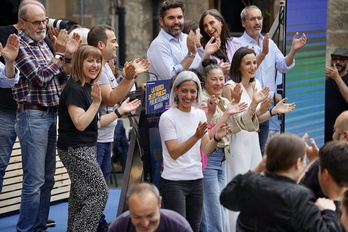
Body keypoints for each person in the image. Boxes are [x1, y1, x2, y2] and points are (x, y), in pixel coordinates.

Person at [57, 45, 141, 232]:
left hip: (83, 147)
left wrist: (119, 111)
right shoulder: (75, 88)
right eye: (90, 60)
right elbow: (80, 123)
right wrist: (96, 103)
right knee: (99, 192)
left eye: (97, 61)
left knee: (80, 196)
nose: (95, 65)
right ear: (80, 62)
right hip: (75, 149)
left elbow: (95, 123)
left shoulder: (87, 86)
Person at [13, 2, 80, 231]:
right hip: (32, 116)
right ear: (22, 23)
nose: (42, 25)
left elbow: (62, 78)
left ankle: (39, 226)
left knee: (48, 179)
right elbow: (40, 78)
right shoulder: (19, 45)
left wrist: (68, 57)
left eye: (44, 20)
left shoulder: (45, 45)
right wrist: (59, 53)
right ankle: (26, 228)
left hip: (51, 115)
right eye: (36, 22)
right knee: (34, 181)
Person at [223, 47, 296, 232]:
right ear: (238, 66)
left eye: (254, 62)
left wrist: (273, 111)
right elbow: (234, 122)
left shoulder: (256, 85)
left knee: (255, 184)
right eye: (247, 63)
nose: (253, 66)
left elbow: (254, 119)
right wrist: (256, 108)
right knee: (240, 183)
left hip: (252, 141)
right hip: (237, 141)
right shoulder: (230, 87)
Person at [87, 24, 149, 231]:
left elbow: (115, 93)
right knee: (95, 190)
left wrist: (126, 77)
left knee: (101, 189)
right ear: (101, 44)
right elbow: (112, 98)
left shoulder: (105, 67)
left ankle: (98, 223)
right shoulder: (98, 68)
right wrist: (129, 78)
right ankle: (98, 225)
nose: (117, 44)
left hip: (106, 135)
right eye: (113, 41)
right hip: (94, 138)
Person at [198, 58, 268, 232]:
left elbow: (238, 124)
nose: (219, 83)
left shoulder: (221, 100)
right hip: (209, 159)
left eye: (221, 78)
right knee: (215, 216)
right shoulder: (204, 102)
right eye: (214, 79)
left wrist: (254, 105)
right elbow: (214, 129)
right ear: (204, 81)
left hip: (221, 158)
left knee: (220, 213)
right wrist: (229, 112)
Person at [220, 133, 341, 232]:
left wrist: (257, 168)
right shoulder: (300, 196)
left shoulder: (249, 183)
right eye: (304, 160)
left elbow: (226, 198)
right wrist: (329, 211)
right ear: (297, 163)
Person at [158, 70, 229, 232]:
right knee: (178, 229)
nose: (188, 96)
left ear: (198, 93)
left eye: (192, 91)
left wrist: (216, 138)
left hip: (196, 180)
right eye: (184, 90)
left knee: (194, 228)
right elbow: (174, 152)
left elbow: (205, 149)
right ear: (176, 90)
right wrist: (196, 136)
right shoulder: (167, 117)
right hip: (173, 182)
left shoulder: (199, 115)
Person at [238, 5, 307, 155]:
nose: (257, 22)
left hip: (265, 107)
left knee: (260, 152)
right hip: (247, 106)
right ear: (243, 23)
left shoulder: (269, 42)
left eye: (259, 18)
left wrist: (294, 50)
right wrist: (262, 54)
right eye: (252, 19)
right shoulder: (237, 44)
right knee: (244, 152)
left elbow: (283, 66)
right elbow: (242, 74)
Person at [147, 0, 201, 80]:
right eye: (171, 18)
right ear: (161, 22)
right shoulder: (158, 44)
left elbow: (198, 69)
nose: (176, 22)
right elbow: (171, 78)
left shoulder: (186, 38)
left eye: (179, 17)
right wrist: (190, 54)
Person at [109, 182, 193, 232]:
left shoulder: (178, 226)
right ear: (129, 208)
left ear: (159, 202)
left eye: (150, 215)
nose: (145, 224)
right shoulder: (118, 227)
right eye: (137, 217)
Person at [300, 110, 348, 199]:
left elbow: (298, 195)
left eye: (335, 130)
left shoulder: (326, 163)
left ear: (345, 136)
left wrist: (313, 160)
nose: (333, 135)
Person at [325, 48, 348, 142]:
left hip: (342, 131)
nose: (338, 62)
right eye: (335, 59)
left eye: (341, 59)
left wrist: (337, 78)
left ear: (346, 62)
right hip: (324, 129)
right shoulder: (326, 78)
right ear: (331, 61)